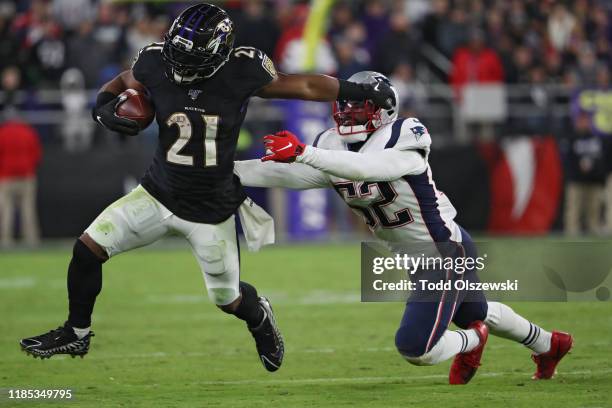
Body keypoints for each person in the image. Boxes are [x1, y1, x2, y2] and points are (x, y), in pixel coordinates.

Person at [19, 4, 395, 373]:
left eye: (189, 57)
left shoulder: (242, 69)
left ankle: (259, 317)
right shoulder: (155, 61)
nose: (179, 65)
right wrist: (102, 107)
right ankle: (77, 332)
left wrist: (356, 90)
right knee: (87, 249)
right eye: (176, 53)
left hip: (210, 208)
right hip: (157, 192)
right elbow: (120, 82)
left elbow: (306, 83)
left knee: (227, 299)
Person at [234, 71, 573, 384]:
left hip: (442, 251)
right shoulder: (331, 146)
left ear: (384, 111)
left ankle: (473, 340)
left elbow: (368, 168)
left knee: (416, 348)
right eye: (345, 107)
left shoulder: (406, 134)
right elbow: (288, 173)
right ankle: (550, 344)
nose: (348, 115)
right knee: (476, 310)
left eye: (359, 108)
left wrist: (303, 152)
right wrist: (222, 171)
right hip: (417, 257)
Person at [0, 108, 42, 247]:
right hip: (26, 175)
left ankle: (6, 240)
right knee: (28, 209)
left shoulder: (2, 133)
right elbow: (37, 155)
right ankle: (30, 239)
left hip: (6, 176)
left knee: (6, 209)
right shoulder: (28, 132)